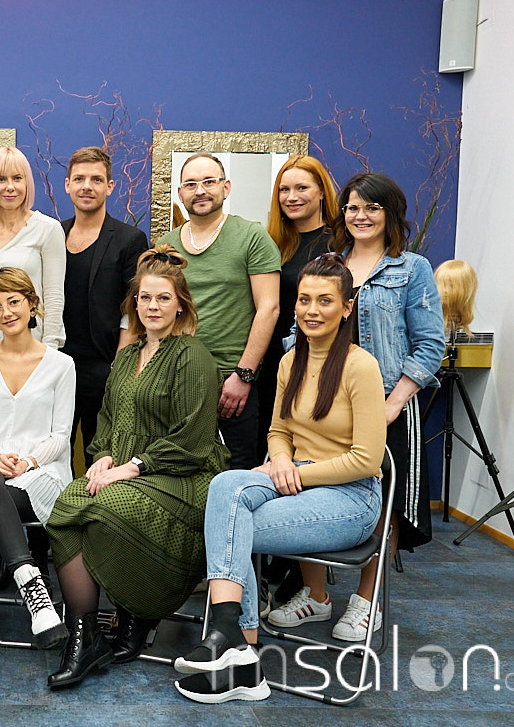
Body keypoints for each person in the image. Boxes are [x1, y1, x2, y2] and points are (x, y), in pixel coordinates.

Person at [174, 254, 386, 704]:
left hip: (350, 499)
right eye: (304, 299)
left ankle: (237, 647)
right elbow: (278, 431)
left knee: (231, 527)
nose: (312, 310)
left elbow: (367, 460)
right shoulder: (291, 361)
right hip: (295, 479)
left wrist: (297, 471)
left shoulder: (361, 366)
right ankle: (237, 648)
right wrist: (282, 458)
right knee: (224, 487)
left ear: (347, 307)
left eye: (325, 301)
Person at [44, 246, 227, 689]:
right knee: (66, 507)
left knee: (109, 507)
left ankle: (136, 613)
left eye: (163, 298)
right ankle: (86, 635)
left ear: (180, 304)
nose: (153, 307)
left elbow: (193, 439)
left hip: (184, 475)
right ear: (134, 304)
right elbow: (107, 417)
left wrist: (133, 467)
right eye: (145, 298)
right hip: (124, 470)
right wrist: (104, 455)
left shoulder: (192, 355)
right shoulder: (127, 356)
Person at [276, 172, 444, 643]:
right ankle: (316, 596)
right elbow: (300, 329)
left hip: (389, 406)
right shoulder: (329, 263)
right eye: (352, 207)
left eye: (372, 208)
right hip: (322, 406)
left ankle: (366, 602)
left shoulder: (411, 269)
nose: (361, 216)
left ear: (391, 214)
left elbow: (431, 344)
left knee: (384, 503)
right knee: (305, 487)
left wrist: (393, 403)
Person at [0, 267, 72, 687]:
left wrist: (28, 462)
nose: (6, 312)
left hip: (38, 475)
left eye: (14, 301)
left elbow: (61, 436)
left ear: (33, 304)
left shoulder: (61, 365)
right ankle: (32, 584)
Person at [158, 153, 281, 470]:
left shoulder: (252, 237)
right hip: (177, 379)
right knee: (176, 470)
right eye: (190, 184)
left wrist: (244, 374)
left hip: (231, 382)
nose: (200, 190)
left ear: (226, 188)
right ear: (180, 193)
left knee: (236, 471)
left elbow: (268, 308)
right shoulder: (166, 244)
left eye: (209, 182)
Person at [258, 155, 338, 607]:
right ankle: (277, 558)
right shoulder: (277, 243)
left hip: (318, 366)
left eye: (301, 188)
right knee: (276, 454)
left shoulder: (338, 242)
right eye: (284, 190)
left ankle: (302, 573)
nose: (292, 197)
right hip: (277, 362)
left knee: (307, 460)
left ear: (321, 191)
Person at [60, 147, 150, 473]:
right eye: (79, 179)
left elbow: (134, 306)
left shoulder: (129, 239)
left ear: (110, 186)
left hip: (103, 366)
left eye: (96, 179)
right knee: (55, 452)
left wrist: (120, 365)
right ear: (67, 184)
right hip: (56, 364)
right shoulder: (53, 234)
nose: (87, 186)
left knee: (100, 456)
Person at [0, 146, 66, 354]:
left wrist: (50, 349)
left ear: (27, 183)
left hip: (29, 348)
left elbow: (54, 297)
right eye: (1, 179)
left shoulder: (48, 229)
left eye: (17, 178)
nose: (10, 187)